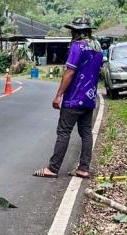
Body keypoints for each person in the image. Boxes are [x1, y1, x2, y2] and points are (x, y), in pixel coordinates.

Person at [33, 16, 103, 179]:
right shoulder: (98, 47)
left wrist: (59, 95)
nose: (71, 33)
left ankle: (53, 168)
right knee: (86, 132)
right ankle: (83, 168)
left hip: (73, 98)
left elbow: (70, 72)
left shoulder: (77, 47)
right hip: (89, 97)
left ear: (77, 32)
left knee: (64, 132)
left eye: (73, 30)